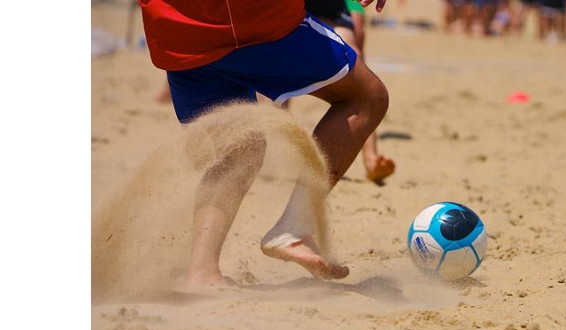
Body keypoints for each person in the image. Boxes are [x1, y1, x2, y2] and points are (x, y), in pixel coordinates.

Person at [138, 0, 390, 286]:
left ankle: (202, 272)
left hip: (177, 32)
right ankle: (294, 229)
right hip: (254, 21)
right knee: (367, 97)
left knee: (241, 148)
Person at [302, 0, 396, 184]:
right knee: (271, 80)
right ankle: (273, 152)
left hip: (334, 7)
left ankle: (371, 158)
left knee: (356, 55)